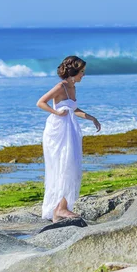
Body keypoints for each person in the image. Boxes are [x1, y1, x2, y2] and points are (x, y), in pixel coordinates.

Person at [36, 55, 101, 222]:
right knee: (64, 167)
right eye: (82, 72)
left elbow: (73, 108)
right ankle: (60, 209)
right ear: (73, 72)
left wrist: (91, 117)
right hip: (57, 132)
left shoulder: (73, 86)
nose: (83, 75)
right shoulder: (61, 86)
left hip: (70, 130)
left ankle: (61, 208)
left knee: (72, 166)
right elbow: (41, 102)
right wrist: (56, 112)